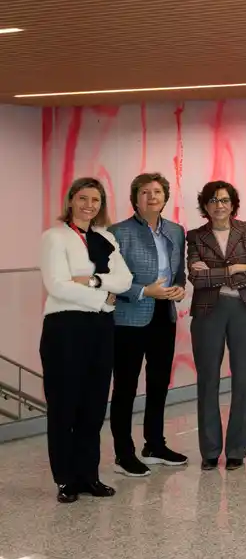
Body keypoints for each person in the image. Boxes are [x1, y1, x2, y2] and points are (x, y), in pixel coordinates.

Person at [40, 177, 132, 503]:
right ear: (70, 200)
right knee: (64, 405)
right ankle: (65, 479)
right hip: (64, 328)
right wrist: (102, 299)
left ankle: (89, 475)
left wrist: (95, 280)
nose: (88, 205)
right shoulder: (54, 237)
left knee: (93, 406)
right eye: (82, 198)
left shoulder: (105, 238)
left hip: (100, 330)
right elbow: (57, 285)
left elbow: (125, 279)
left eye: (95, 199)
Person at [109, 173, 188, 477]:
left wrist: (179, 287)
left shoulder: (176, 231)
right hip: (129, 319)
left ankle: (154, 444)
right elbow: (111, 281)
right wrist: (143, 291)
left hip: (164, 316)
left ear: (165, 197)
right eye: (145, 192)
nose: (152, 197)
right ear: (135, 198)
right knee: (126, 387)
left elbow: (178, 271)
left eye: (157, 192)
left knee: (158, 385)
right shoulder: (118, 233)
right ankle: (123, 453)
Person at [187, 181, 246, 471]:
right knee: (207, 380)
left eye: (224, 200)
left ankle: (236, 449)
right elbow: (196, 279)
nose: (219, 206)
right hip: (208, 312)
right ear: (205, 206)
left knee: (243, 379)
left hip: (245, 310)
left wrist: (215, 273)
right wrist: (235, 268)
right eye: (212, 201)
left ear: (233, 204)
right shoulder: (196, 236)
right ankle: (209, 451)